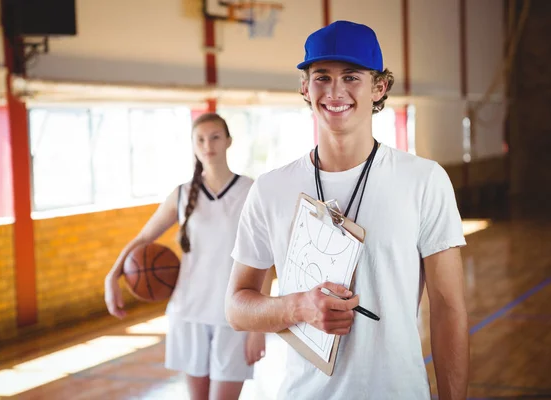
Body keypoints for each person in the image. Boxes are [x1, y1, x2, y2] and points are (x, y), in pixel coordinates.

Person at [225, 20, 469, 400]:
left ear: (379, 87)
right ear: (305, 87)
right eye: (322, 77)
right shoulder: (270, 189)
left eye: (351, 77)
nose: (335, 91)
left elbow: (449, 309)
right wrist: (298, 307)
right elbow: (237, 308)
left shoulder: (424, 180)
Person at [105, 112, 270, 400]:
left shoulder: (251, 191)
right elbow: (144, 238)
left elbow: (265, 260)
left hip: (234, 314)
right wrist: (113, 275)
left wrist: (259, 326)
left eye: (215, 137)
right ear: (193, 145)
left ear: (229, 141)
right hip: (188, 312)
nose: (208, 145)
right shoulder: (181, 194)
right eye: (201, 139)